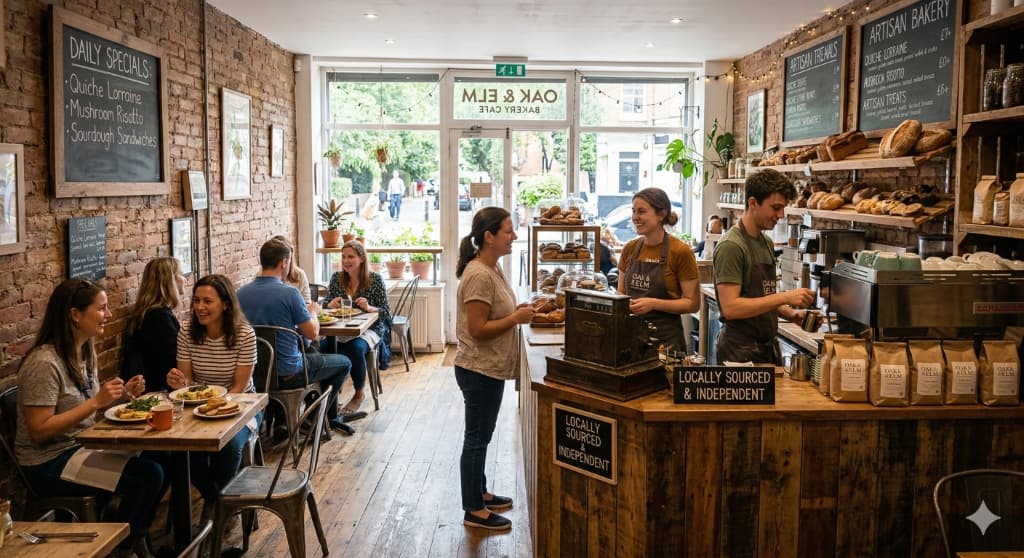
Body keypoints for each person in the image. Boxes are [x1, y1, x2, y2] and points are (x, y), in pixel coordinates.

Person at [16, 278, 164, 558]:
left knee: (160, 458)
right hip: (47, 461)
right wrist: (97, 402)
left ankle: (133, 539)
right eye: (102, 308)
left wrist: (120, 396)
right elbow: (38, 431)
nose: (108, 314)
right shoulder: (43, 363)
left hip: (80, 446)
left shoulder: (84, 350)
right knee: (147, 477)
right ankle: (118, 549)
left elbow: (84, 406)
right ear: (75, 315)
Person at [454, 207, 534, 531]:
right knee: (476, 437)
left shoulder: (493, 268)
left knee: (482, 435)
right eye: (508, 230)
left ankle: (480, 492)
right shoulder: (478, 274)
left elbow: (495, 314)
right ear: (489, 236)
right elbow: (477, 328)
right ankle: (473, 508)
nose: (513, 236)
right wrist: (515, 318)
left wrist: (518, 311)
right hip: (478, 370)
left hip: (490, 368)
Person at [237, 237, 354, 434]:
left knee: (310, 355)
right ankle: (314, 418)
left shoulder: (240, 293)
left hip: (255, 375)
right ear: (284, 262)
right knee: (343, 363)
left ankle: (288, 419)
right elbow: (313, 332)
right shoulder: (289, 293)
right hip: (289, 374)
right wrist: (313, 312)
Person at [166, 274, 258, 508]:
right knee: (182, 453)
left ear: (225, 304)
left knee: (229, 447)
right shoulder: (186, 333)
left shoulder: (244, 334)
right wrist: (179, 384)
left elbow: (238, 389)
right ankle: (217, 502)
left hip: (242, 407)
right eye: (196, 300)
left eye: (208, 301)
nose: (199, 307)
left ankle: (214, 505)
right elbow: (187, 382)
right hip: (198, 409)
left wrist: (214, 408)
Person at [713, 169, 816, 364]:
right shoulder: (731, 246)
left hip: (766, 349)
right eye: (775, 207)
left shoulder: (765, 242)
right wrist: (785, 297)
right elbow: (730, 308)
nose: (781, 215)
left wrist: (791, 314)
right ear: (753, 203)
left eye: (783, 208)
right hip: (738, 354)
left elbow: (761, 296)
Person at [616, 188, 700, 353]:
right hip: (630, 339)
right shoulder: (630, 248)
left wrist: (653, 304)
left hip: (667, 344)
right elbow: (620, 292)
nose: (635, 217)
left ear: (661, 214)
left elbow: (692, 303)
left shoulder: (680, 251)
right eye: (633, 211)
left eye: (641, 211)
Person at [323, 240, 392, 416]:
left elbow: (385, 312)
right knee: (323, 348)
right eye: (344, 256)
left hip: (370, 329)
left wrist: (369, 308)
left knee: (354, 348)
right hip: (341, 329)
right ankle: (327, 398)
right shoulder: (336, 278)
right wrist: (330, 304)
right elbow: (325, 306)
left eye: (351, 257)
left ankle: (359, 394)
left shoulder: (374, 279)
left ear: (361, 259)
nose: (346, 261)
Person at [120, 257, 185, 392]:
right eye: (180, 274)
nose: (184, 279)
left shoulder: (145, 313)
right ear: (170, 281)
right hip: (157, 392)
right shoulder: (160, 318)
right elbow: (173, 362)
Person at [269, 234, 312, 303]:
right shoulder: (262, 277)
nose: (283, 266)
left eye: (287, 260)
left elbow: (307, 302)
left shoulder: (300, 275)